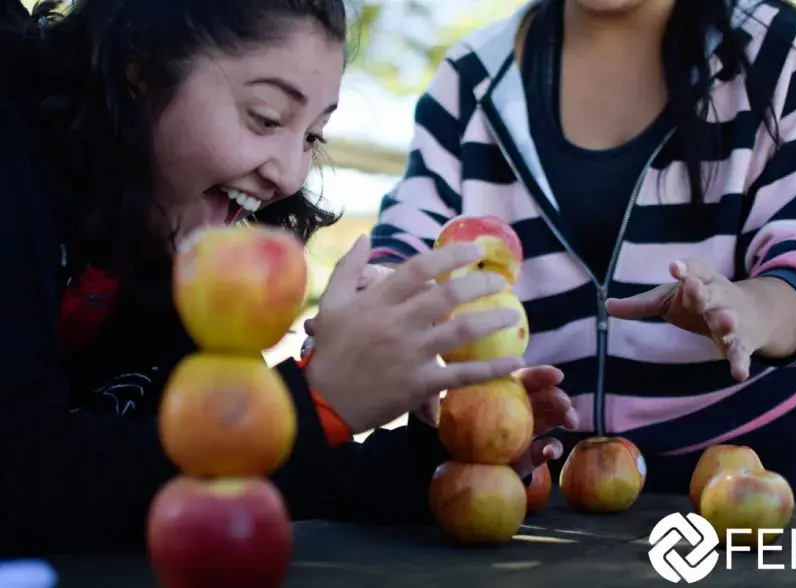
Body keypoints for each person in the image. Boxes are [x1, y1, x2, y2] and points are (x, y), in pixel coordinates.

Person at [0, 0, 577, 557]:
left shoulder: (169, 226)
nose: (289, 173)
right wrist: (314, 402)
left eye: (311, 136)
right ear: (141, 69)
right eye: (266, 118)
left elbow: (222, 465)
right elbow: (23, 478)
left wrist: (448, 453)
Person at [369, 0, 796, 505]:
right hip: (531, 474)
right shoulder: (470, 77)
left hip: (747, 468)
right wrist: (382, 296)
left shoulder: (785, 56)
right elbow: (408, 244)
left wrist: (754, 310)